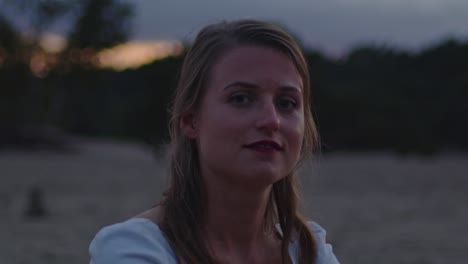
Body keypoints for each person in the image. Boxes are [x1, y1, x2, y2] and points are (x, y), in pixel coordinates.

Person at [89, 19, 340, 264]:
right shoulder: (135, 249)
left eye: (287, 103)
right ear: (190, 120)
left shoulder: (309, 251)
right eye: (241, 98)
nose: (271, 120)